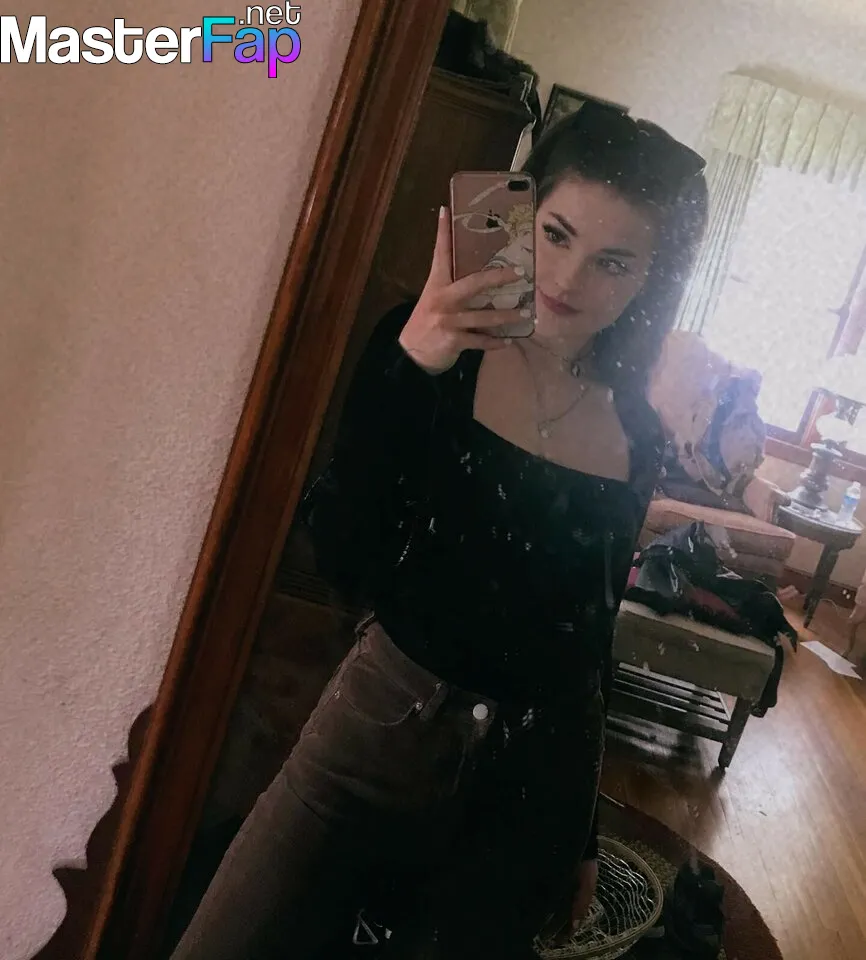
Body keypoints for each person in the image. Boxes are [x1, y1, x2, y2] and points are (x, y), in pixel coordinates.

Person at [171, 104, 708, 960]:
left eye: (615, 262)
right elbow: (340, 546)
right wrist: (415, 360)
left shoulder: (637, 436)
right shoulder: (432, 351)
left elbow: (586, 642)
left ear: (652, 279)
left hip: (527, 792)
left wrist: (580, 838)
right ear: (520, 214)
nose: (569, 279)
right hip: (376, 734)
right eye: (557, 234)